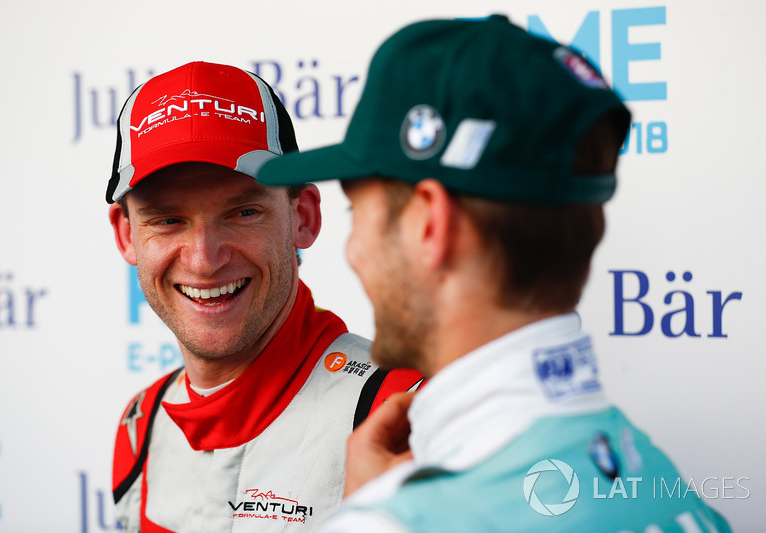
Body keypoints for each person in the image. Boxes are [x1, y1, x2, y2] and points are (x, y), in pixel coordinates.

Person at [256, 15, 732, 532]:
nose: (352, 252)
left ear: (429, 225)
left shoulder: (398, 522)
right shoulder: (666, 485)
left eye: (357, 214)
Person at [105, 61, 423, 533]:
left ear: (304, 217)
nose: (203, 260)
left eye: (244, 212)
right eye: (168, 220)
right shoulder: (139, 425)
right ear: (127, 235)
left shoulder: (401, 415)